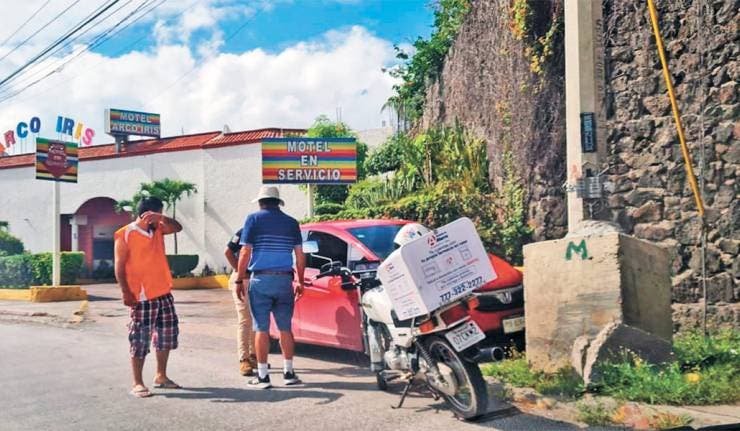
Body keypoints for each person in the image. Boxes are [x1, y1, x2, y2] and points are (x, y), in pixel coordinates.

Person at [236, 186, 305, 389]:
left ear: (260, 202)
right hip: (284, 280)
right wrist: (300, 281)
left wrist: (239, 279)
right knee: (285, 328)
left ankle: (263, 376)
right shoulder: (291, 223)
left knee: (261, 328)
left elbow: (245, 252)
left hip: (261, 279)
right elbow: (300, 255)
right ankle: (289, 373)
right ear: (278, 203)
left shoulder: (253, 219)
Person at [114, 196, 183, 398]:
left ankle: (161, 376)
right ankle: (137, 382)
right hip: (142, 296)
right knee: (140, 339)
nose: (160, 218)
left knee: (166, 336)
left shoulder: (158, 228)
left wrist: (161, 218)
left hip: (164, 292)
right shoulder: (125, 233)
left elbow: (177, 227)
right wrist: (125, 291)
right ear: (147, 214)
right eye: (158, 213)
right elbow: (119, 265)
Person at [224, 228, 257, 376]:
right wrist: (240, 272)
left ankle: (253, 355)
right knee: (245, 319)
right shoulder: (245, 231)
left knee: (257, 319)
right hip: (242, 280)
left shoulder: (267, 229)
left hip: (258, 279)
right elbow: (228, 252)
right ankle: (244, 359)